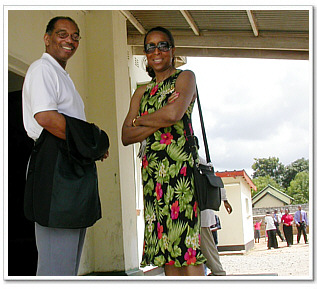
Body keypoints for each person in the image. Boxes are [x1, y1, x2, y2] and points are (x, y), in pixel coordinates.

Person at [22, 16, 110, 276]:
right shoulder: (42, 68)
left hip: (69, 163)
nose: (69, 40)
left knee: (68, 266)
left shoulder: (61, 75)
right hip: (55, 165)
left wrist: (90, 146)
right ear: (47, 38)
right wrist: (90, 142)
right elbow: (46, 117)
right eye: (62, 34)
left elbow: (70, 126)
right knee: (55, 269)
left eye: (75, 36)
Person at [121, 26, 206, 276]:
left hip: (181, 174)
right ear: (145, 53)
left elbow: (174, 113)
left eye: (162, 46)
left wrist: (140, 121)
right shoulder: (141, 91)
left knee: (187, 248)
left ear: (172, 50)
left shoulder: (184, 78)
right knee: (166, 248)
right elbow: (126, 136)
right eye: (150, 47)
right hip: (153, 178)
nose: (156, 51)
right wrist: (156, 120)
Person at [200, 188, 232, 276]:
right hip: (197, 213)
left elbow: (214, 182)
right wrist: (224, 200)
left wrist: (224, 199)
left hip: (200, 213)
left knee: (207, 246)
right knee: (207, 246)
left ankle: (218, 272)